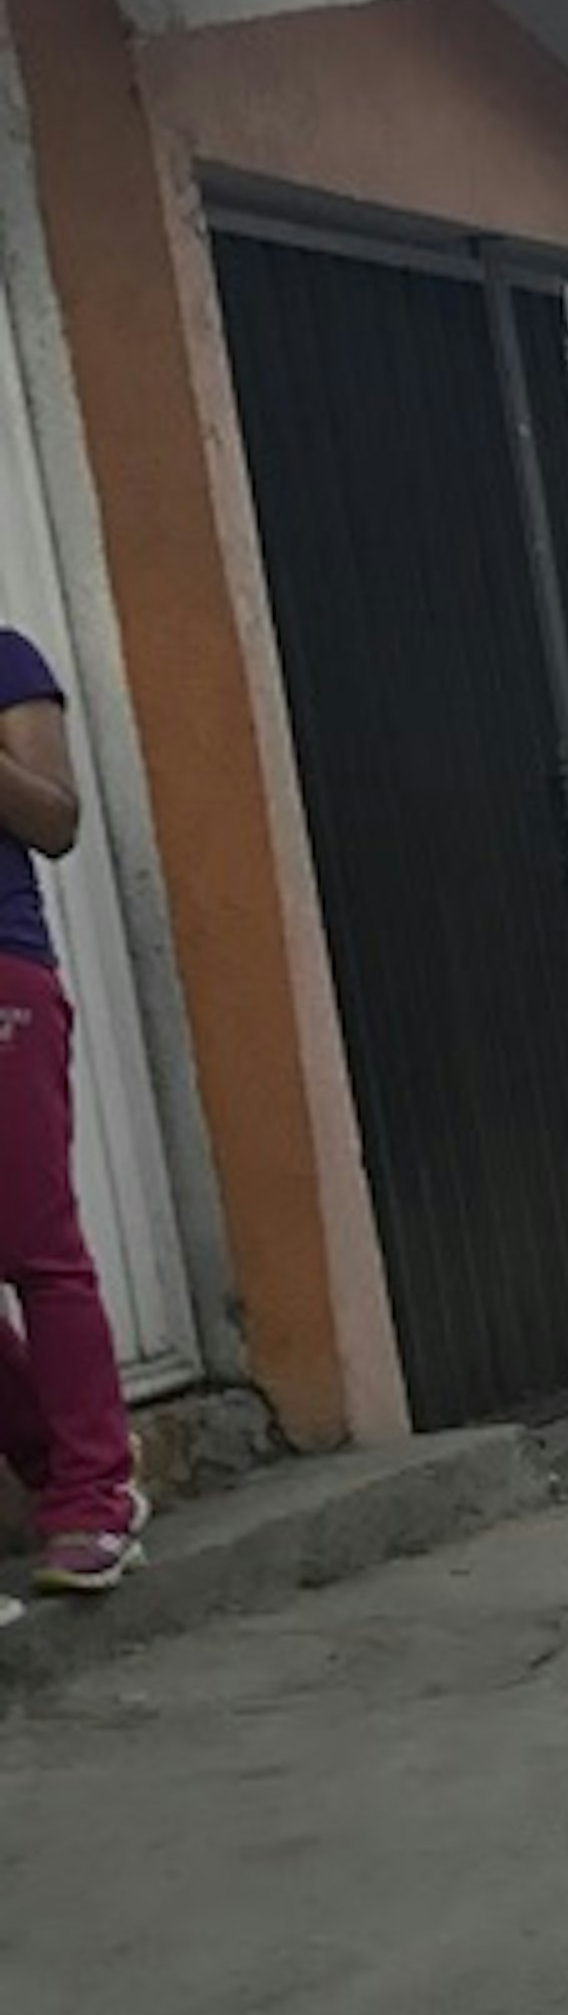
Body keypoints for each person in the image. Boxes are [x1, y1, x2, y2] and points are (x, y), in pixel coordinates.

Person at [0, 621, 144, 1594]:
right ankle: (61, 1470)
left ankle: (97, 1498)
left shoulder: (6, 658)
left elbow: (56, 820)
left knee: (35, 1247)